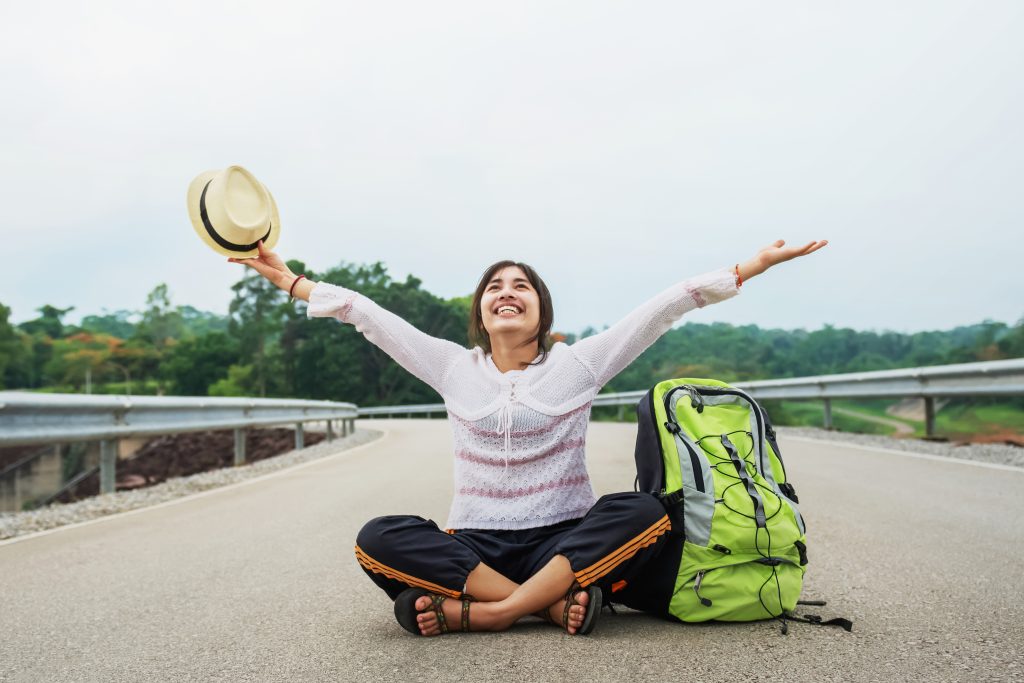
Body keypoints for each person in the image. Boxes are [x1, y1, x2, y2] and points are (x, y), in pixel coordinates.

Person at [232, 238, 828, 636]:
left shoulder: (579, 365)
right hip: (476, 546)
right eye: (494, 287)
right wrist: (291, 282)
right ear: (482, 313)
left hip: (561, 537)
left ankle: (491, 614)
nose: (507, 292)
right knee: (379, 537)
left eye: (522, 286)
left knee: (643, 510)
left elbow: (665, 307)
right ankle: (547, 602)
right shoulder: (450, 367)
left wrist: (748, 269)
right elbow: (365, 315)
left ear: (542, 310)